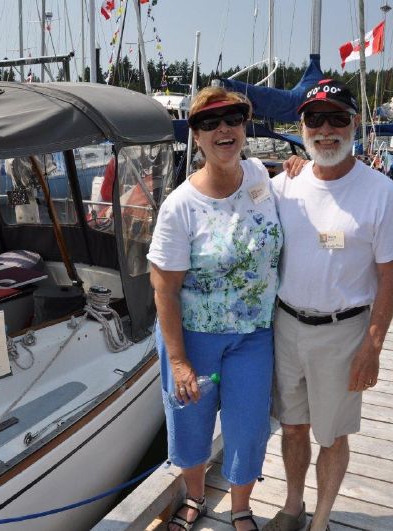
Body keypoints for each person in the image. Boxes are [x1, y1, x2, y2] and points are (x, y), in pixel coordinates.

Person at [264, 79, 393, 531]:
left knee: (332, 434)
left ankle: (321, 521)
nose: (326, 130)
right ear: (302, 126)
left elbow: (390, 275)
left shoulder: (380, 192)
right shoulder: (282, 185)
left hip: (345, 330)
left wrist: (374, 345)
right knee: (292, 427)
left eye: (337, 119)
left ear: (355, 123)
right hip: (286, 325)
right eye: (315, 118)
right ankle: (293, 507)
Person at [147, 87, 283, 531]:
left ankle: (240, 506)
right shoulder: (179, 207)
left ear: (245, 128)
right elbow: (163, 290)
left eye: (233, 119)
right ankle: (194, 497)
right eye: (210, 122)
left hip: (254, 334)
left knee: (247, 425)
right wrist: (180, 361)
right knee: (191, 423)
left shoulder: (261, 174)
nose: (224, 129)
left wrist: (300, 168)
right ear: (197, 136)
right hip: (193, 338)